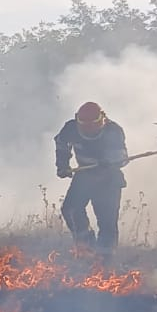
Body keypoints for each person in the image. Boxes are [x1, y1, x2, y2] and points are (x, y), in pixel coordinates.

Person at [55, 100, 128, 252]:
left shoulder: (113, 131)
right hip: (84, 175)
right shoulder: (71, 128)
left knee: (106, 222)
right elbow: (61, 144)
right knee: (71, 210)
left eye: (92, 124)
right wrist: (62, 165)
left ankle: (104, 259)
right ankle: (85, 245)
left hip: (108, 179)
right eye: (84, 124)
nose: (88, 128)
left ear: (102, 120)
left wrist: (109, 161)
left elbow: (122, 156)